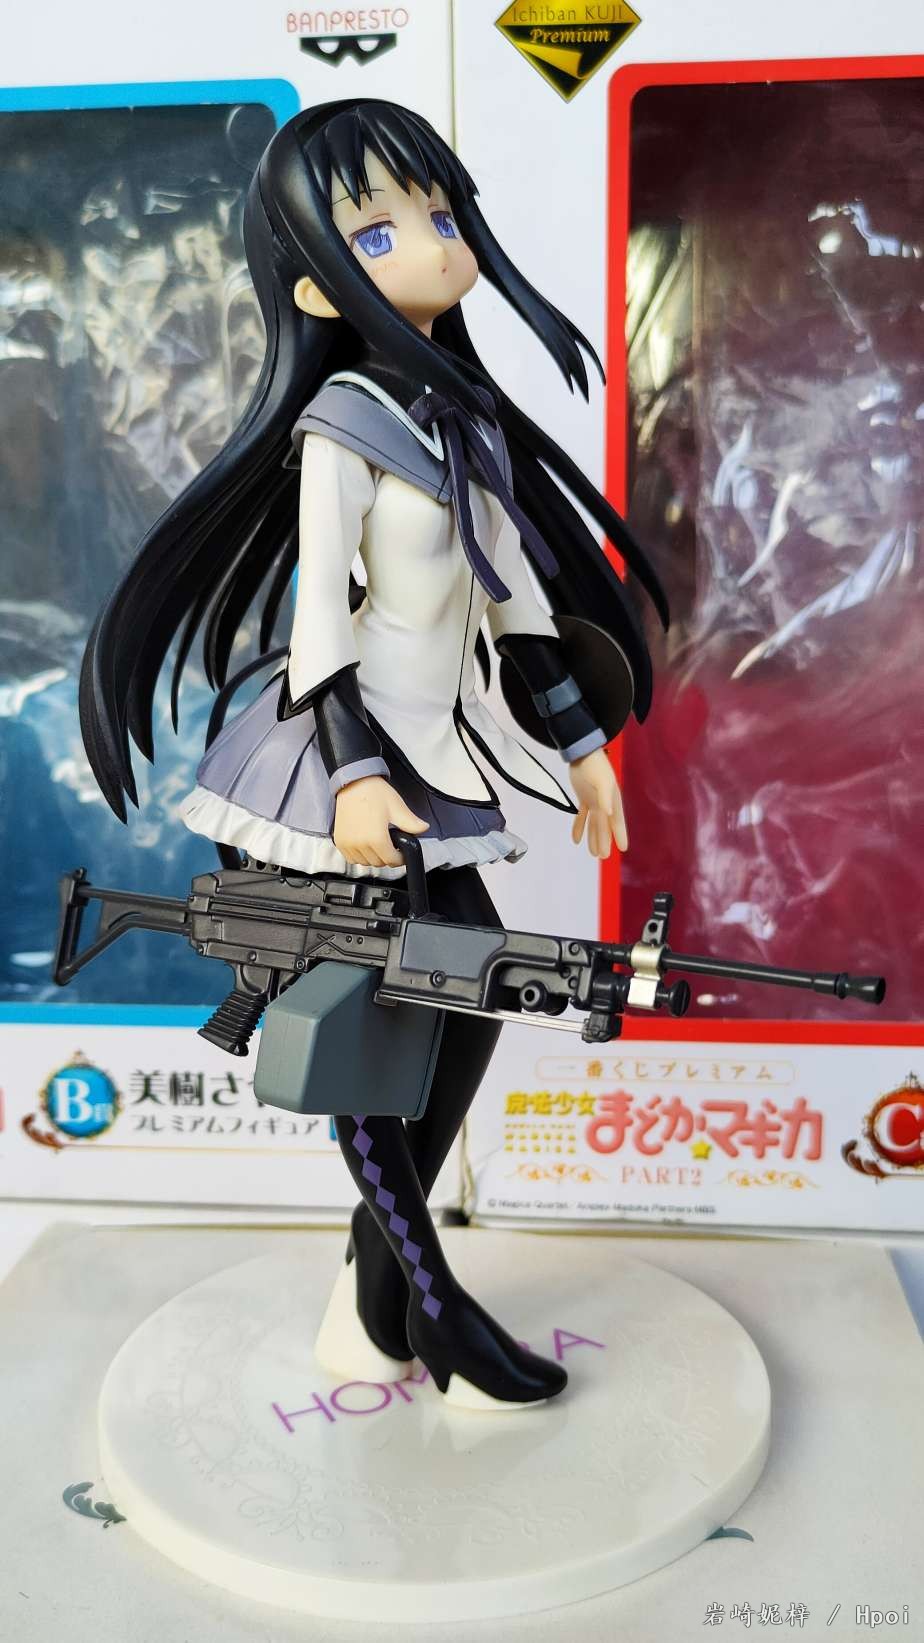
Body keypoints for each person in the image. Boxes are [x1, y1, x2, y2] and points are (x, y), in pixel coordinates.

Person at [80, 99, 667, 1409]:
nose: (436, 243)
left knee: (470, 999)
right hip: (334, 766)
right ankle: (433, 1304)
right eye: (381, 229)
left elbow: (521, 613)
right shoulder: (344, 427)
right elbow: (318, 630)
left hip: (434, 762)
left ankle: (379, 1297)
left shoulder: (466, 419)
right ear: (313, 284)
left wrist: (584, 750)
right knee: (362, 1022)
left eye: (441, 214)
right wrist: (353, 780)